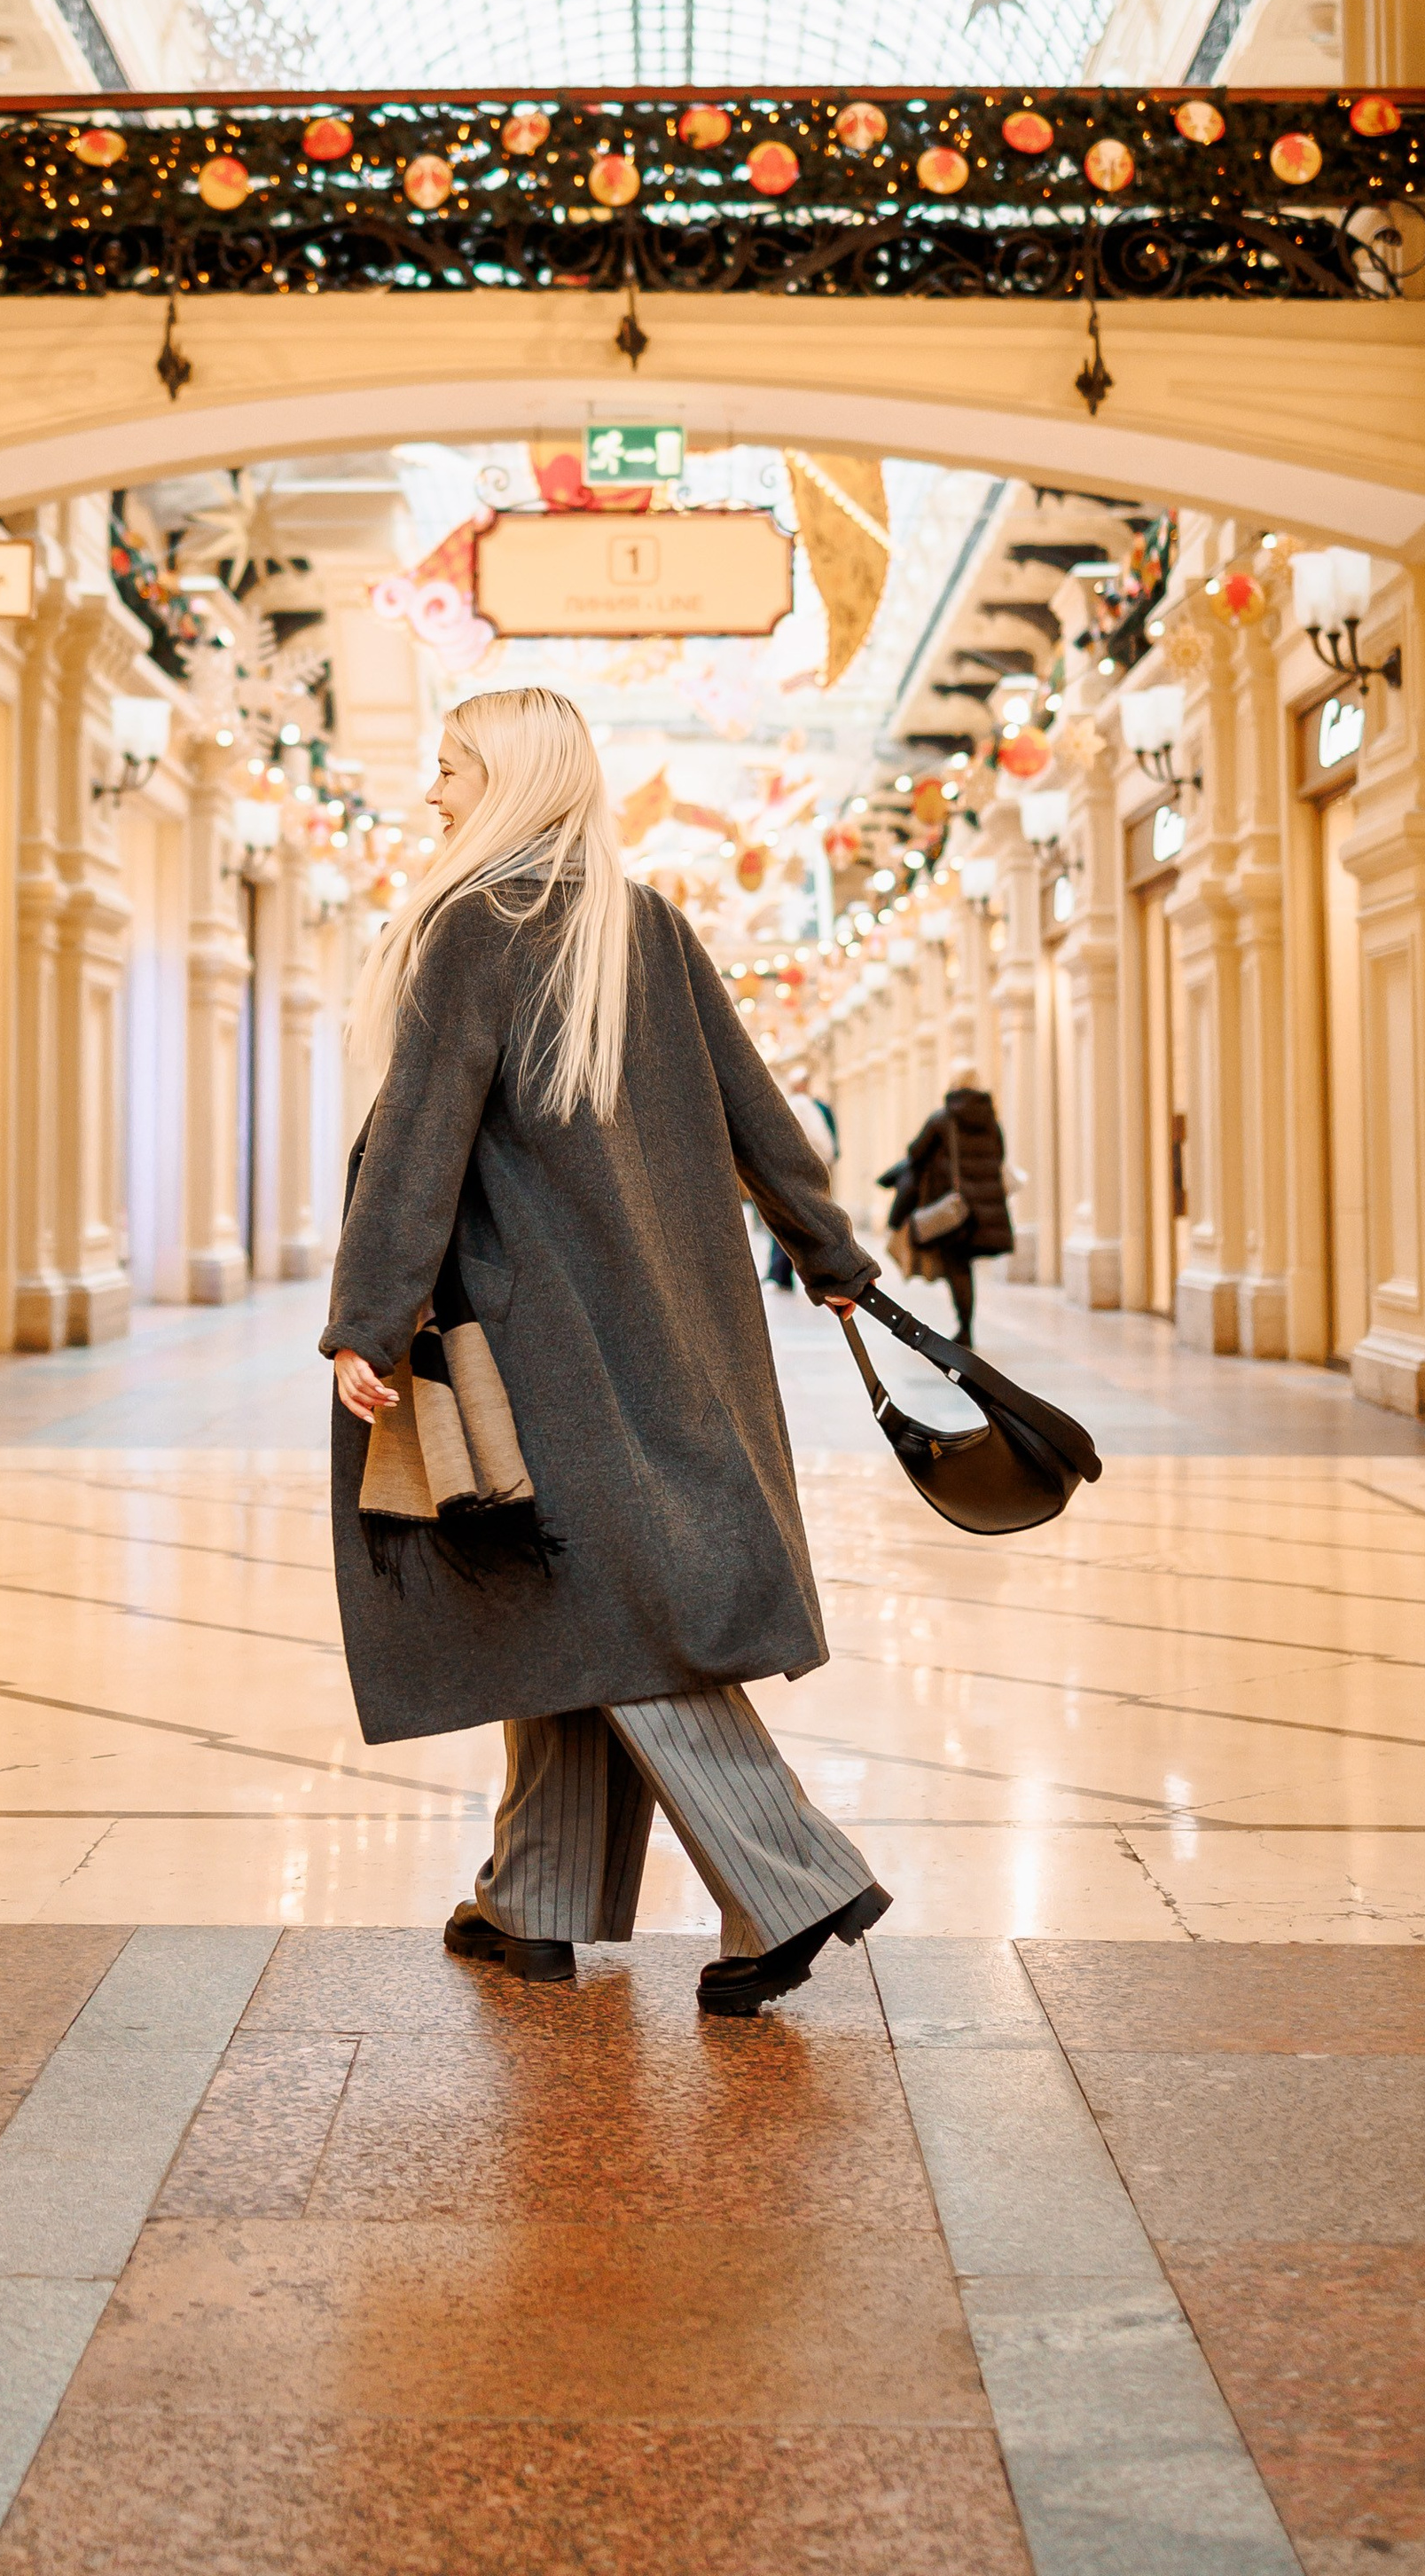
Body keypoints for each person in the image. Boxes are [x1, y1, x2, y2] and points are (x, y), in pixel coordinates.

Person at [321, 685, 891, 2019]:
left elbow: (420, 1135)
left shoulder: (475, 927)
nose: (434, 791)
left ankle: (791, 1877)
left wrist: (369, 1316)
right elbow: (765, 1113)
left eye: (452, 767)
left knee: (623, 1603)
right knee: (558, 1592)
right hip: (673, 1317)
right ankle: (541, 1897)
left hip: (537, 1337)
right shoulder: (650, 925)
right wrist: (830, 1255)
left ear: (510, 781)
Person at [899, 1065, 1014, 1346]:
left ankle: (965, 1328)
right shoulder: (991, 1121)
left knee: (957, 1266)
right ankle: (965, 1325)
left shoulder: (942, 1119)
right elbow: (999, 1156)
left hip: (954, 1207)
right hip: (983, 1206)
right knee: (964, 1266)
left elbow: (916, 1153)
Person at [763, 1066, 838, 1291]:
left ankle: (786, 1273)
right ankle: (784, 1273)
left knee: (791, 1220)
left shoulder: (800, 1105)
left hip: (797, 1172)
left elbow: (818, 1140)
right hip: (805, 1171)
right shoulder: (809, 1105)